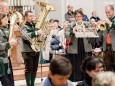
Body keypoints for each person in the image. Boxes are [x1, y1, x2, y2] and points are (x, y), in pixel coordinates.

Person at [65, 10, 92, 82]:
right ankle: (76, 78)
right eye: (77, 16)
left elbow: (92, 33)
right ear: (74, 17)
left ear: (82, 17)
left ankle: (86, 78)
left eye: (80, 16)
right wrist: (72, 31)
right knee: (75, 63)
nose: (79, 18)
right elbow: (66, 35)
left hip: (85, 45)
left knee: (85, 62)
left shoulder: (87, 24)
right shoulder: (71, 24)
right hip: (74, 45)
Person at [21, 10, 43, 86]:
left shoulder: (35, 26)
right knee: (29, 69)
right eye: (30, 16)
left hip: (36, 49)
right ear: (26, 17)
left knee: (34, 68)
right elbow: (24, 36)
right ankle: (28, 84)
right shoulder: (24, 26)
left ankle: (32, 84)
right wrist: (36, 32)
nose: (32, 17)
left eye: (32, 16)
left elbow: (38, 38)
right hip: (27, 50)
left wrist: (41, 36)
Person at [0, 12, 17, 86]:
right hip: (1, 60)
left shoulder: (4, 29)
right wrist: (9, 43)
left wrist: (12, 42)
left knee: (9, 81)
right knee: (6, 82)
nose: (7, 20)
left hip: (6, 59)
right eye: (5, 18)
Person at [103, 5, 115, 71]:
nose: (107, 14)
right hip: (107, 47)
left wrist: (110, 23)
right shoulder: (106, 21)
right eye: (106, 12)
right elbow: (103, 34)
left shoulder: (109, 21)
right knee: (107, 67)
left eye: (109, 12)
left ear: (113, 10)